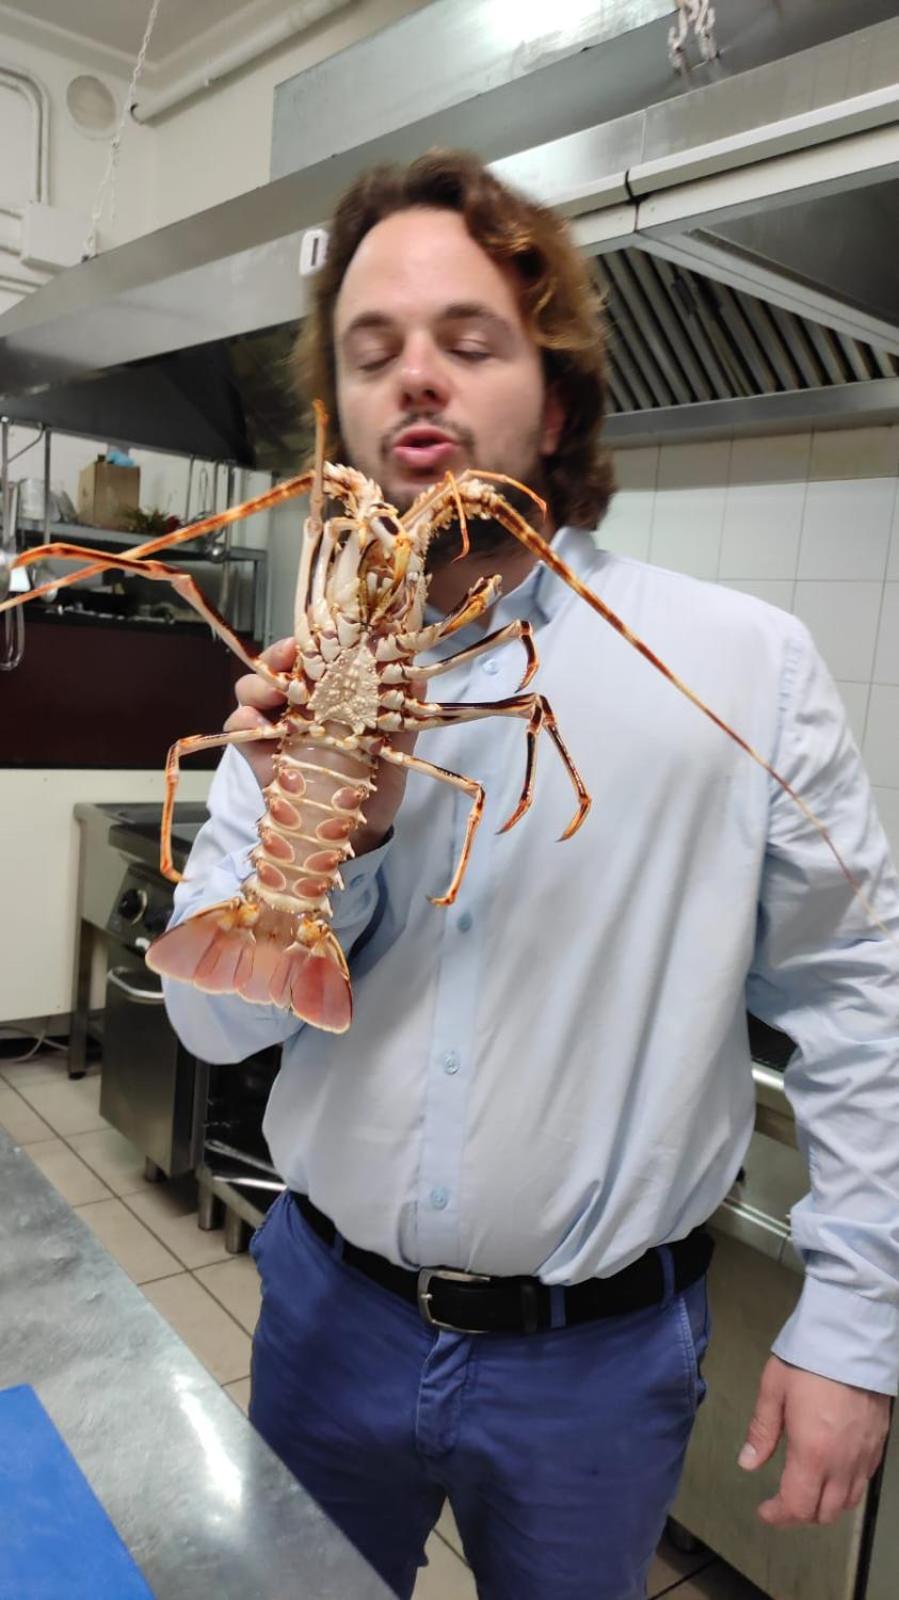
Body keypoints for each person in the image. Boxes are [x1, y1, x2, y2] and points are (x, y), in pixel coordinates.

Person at [162, 150, 898, 1600]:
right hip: (328, 1313)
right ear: (340, 417)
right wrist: (348, 828)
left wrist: (860, 1322)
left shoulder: (745, 665)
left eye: (469, 339)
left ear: (554, 402)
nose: (415, 378)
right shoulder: (295, 681)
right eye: (373, 351)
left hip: (600, 1365)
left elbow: (861, 996)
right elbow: (213, 1022)